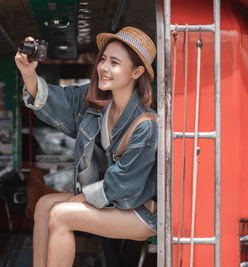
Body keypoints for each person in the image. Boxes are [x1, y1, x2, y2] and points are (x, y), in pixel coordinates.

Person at [15, 26, 158, 267]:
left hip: (140, 210)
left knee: (61, 215)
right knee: (43, 205)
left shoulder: (146, 125)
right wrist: (28, 73)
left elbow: (123, 187)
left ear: (137, 71)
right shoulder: (96, 105)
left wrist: (77, 201)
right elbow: (57, 100)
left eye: (114, 62)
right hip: (114, 200)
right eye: (103, 59)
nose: (103, 67)